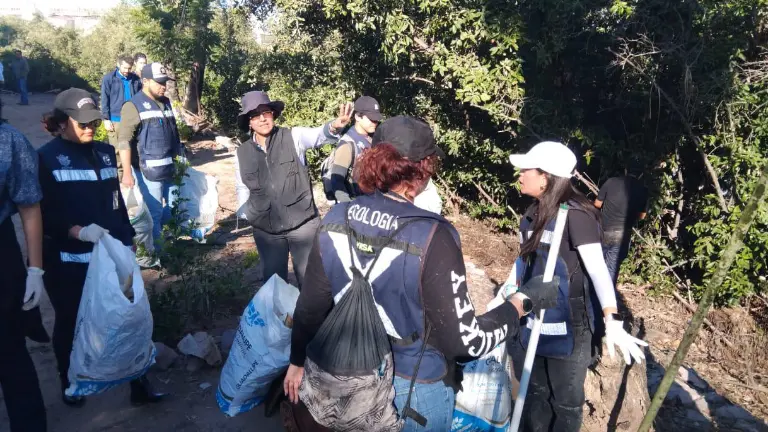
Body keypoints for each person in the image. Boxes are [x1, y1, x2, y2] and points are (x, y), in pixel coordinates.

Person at [283, 116, 560, 430]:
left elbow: (310, 306)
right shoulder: (433, 236)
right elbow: (466, 343)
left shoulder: (337, 215)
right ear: (424, 169)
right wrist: (520, 303)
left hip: (339, 375)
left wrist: (296, 361)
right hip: (409, 388)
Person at [38, 88, 166, 407]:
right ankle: (70, 380)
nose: (88, 128)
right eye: (80, 122)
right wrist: (76, 232)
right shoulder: (46, 158)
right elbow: (41, 214)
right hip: (68, 262)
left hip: (111, 256)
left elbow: (114, 201)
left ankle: (138, 383)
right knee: (70, 321)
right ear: (61, 122)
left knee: (128, 318)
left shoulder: (106, 153)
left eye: (92, 122)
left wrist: (126, 233)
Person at [508, 141, 648, 432]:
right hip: (532, 320)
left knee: (565, 404)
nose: (520, 175)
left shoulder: (576, 215)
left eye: (526, 170)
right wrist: (506, 294)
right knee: (535, 396)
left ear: (545, 176)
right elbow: (523, 263)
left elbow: (598, 272)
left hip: (568, 327)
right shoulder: (533, 214)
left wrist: (612, 319)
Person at [236, 91, 354, 287]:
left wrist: (334, 126)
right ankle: (281, 318)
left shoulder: (294, 136)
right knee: (274, 286)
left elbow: (319, 135)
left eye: (266, 112)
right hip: (267, 233)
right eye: (256, 115)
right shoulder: (241, 153)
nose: (263, 119)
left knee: (312, 283)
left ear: (273, 114)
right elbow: (241, 186)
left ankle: (311, 318)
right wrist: (248, 214)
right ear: (249, 122)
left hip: (304, 226)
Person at [0, 99, 47, 431]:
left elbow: (30, 207)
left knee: (9, 350)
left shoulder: (8, 140)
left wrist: (35, 269)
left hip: (1, 259)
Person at [117, 63, 185, 253]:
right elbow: (123, 141)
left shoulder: (166, 102)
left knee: (175, 207)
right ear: (145, 81)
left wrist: (182, 158)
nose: (164, 86)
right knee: (154, 213)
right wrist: (127, 173)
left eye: (165, 82)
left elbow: (174, 133)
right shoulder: (133, 106)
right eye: (159, 82)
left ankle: (168, 240)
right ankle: (159, 253)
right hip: (148, 171)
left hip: (171, 168)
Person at [594, 169, 648, 285]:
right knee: (612, 268)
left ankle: (590, 294)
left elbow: (597, 204)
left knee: (596, 264)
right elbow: (642, 216)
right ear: (640, 174)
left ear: (626, 170)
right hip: (623, 234)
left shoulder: (611, 182)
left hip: (605, 229)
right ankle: (606, 298)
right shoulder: (642, 189)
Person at [323, 95, 382, 203]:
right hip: (357, 205)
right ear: (358, 117)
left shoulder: (374, 138)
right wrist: (347, 208)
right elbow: (337, 181)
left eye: (376, 119)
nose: (375, 122)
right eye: (371, 119)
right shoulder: (348, 144)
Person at [100, 55, 141, 178]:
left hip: (132, 119)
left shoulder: (135, 79)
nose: (126, 71)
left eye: (129, 68)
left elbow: (140, 97)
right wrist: (106, 119)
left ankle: (135, 176)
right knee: (117, 149)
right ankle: (119, 177)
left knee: (133, 147)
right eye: (124, 68)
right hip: (116, 119)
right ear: (118, 65)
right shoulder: (109, 79)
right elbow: (104, 99)